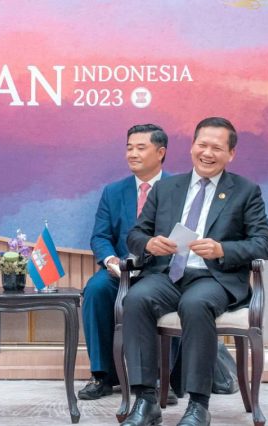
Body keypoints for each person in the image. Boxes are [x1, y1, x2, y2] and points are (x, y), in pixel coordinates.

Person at [121, 117, 268, 426]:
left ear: (231, 154)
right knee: (135, 299)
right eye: (202, 145)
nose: (207, 153)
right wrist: (150, 243)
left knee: (195, 304)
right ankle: (145, 400)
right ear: (192, 146)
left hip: (213, 278)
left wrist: (222, 249)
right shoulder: (166, 188)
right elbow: (135, 235)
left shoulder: (245, 191)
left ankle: (198, 405)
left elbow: (264, 244)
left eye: (216, 148)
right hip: (168, 274)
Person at [79, 124, 168, 400]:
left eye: (141, 148)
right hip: (121, 270)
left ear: (160, 152)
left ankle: (163, 378)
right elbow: (100, 236)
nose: (132, 154)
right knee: (96, 290)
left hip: (163, 272)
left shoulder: (179, 188)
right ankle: (103, 375)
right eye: (129, 148)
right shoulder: (113, 191)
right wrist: (110, 260)